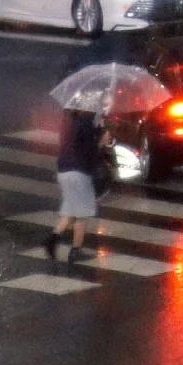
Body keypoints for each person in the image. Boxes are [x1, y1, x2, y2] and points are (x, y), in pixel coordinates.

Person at [46, 109, 105, 267]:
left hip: (64, 169)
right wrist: (101, 140)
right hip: (79, 172)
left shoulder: (68, 120)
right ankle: (75, 251)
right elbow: (89, 149)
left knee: (71, 211)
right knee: (81, 214)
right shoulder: (86, 122)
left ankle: (53, 239)